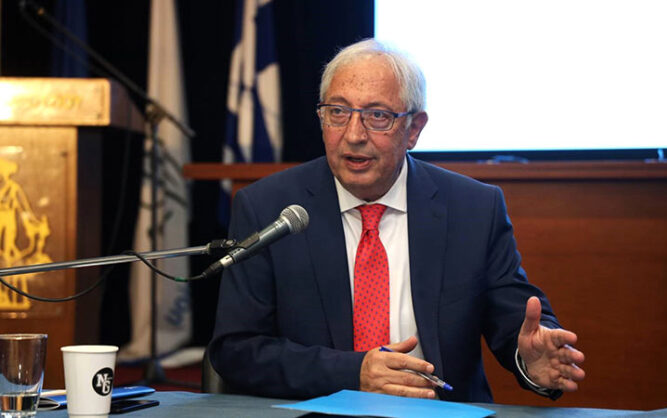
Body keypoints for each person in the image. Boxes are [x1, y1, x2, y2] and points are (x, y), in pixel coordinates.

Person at [209, 38, 585, 402]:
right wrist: (353, 373)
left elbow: (514, 318)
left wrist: (530, 358)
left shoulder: (473, 208)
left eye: (377, 116)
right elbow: (236, 350)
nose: (353, 135)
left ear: (414, 129)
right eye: (338, 112)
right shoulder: (269, 208)